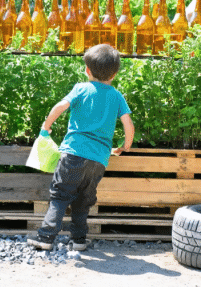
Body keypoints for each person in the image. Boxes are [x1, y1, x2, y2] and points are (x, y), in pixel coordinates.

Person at [27, 44, 134, 251]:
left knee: (60, 196)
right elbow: (128, 124)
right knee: (84, 201)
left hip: (73, 153)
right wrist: (125, 147)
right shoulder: (116, 96)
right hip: (99, 160)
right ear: (114, 74)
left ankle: (46, 238)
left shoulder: (80, 89)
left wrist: (46, 127)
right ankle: (78, 241)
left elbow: (60, 106)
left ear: (87, 70)